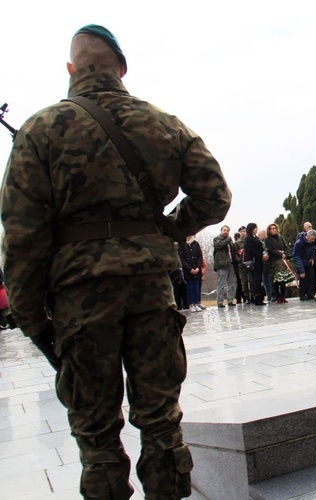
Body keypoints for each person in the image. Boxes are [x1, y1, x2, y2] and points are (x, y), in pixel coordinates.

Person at [0, 25, 231, 498]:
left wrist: (29, 317)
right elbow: (214, 194)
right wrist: (165, 231)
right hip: (150, 291)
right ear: (121, 68)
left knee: (98, 438)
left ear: (71, 70)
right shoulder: (164, 124)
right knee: (163, 427)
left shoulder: (40, 131)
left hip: (80, 301)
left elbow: (22, 236)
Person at [265, 223, 292, 303]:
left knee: (283, 279)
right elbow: (270, 250)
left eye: (275, 228)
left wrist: (285, 254)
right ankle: (278, 296)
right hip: (274, 261)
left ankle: (283, 296)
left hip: (282, 260)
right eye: (272, 228)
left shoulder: (280, 237)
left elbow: (285, 246)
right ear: (269, 230)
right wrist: (280, 254)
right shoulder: (267, 239)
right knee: (276, 280)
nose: (274, 230)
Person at [178, 236, 204, 313]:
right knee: (190, 287)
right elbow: (182, 259)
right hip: (188, 271)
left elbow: (200, 256)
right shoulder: (182, 245)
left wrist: (198, 267)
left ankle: (196, 303)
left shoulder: (196, 244)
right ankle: (191, 304)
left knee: (196, 287)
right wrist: (190, 269)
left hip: (197, 269)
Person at [213, 225, 238, 307]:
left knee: (231, 283)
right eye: (224, 230)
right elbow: (219, 245)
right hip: (222, 265)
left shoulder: (230, 241)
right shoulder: (217, 239)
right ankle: (219, 301)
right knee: (221, 284)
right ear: (221, 231)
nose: (226, 232)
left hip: (230, 264)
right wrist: (228, 239)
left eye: (227, 230)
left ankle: (230, 300)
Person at [244, 223, 268, 306]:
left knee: (259, 280)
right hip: (254, 261)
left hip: (259, 261)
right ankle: (257, 298)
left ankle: (260, 297)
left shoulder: (256, 238)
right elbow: (250, 251)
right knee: (256, 280)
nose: (256, 229)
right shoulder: (248, 239)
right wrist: (261, 255)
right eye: (255, 228)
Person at [294, 229, 316, 299]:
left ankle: (310, 293)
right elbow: (297, 256)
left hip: (309, 263)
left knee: (311, 278)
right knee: (303, 279)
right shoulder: (299, 243)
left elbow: (312, 250)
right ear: (308, 236)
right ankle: (302, 295)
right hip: (302, 263)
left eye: (314, 239)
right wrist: (301, 270)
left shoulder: (311, 242)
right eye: (312, 238)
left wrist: (312, 258)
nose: (313, 240)